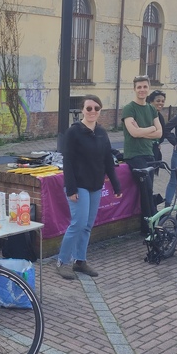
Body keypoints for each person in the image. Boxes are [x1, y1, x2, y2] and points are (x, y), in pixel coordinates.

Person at [56, 96, 121, 280]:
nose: (93, 112)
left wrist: (116, 185)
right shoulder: (73, 132)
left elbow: (108, 159)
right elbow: (67, 161)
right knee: (78, 224)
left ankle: (80, 261)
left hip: (95, 185)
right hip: (78, 185)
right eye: (89, 108)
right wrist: (71, 188)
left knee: (87, 226)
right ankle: (62, 261)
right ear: (82, 110)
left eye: (96, 108)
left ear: (100, 110)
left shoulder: (101, 132)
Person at [122, 75, 162, 234]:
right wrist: (151, 129)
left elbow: (159, 133)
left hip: (149, 153)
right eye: (139, 87)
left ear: (148, 88)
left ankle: (150, 224)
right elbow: (133, 132)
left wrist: (143, 131)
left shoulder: (152, 108)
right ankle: (149, 228)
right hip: (134, 155)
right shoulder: (129, 108)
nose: (142, 90)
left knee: (148, 190)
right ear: (134, 89)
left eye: (145, 87)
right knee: (146, 189)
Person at [145, 90, 167, 164]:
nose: (161, 103)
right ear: (151, 102)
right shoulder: (146, 115)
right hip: (145, 151)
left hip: (155, 150)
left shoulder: (160, 117)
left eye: (163, 101)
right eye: (158, 101)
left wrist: (158, 143)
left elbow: (163, 133)